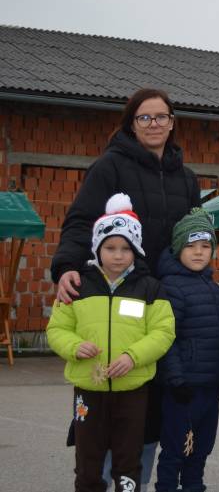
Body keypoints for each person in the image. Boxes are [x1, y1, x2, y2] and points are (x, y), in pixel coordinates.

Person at [52, 88, 200, 491]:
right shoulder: (109, 167)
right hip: (113, 295)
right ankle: (98, 479)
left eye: (161, 116)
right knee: (104, 405)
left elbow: (191, 238)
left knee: (149, 407)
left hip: (160, 297)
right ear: (130, 123)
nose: (154, 124)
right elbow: (81, 222)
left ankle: (132, 483)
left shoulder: (186, 178)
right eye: (144, 118)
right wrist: (66, 266)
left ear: (173, 121)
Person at [46, 194, 175, 492]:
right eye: (110, 247)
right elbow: (57, 329)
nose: (118, 255)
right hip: (89, 391)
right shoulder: (78, 285)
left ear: (136, 250)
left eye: (125, 248)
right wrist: (74, 345)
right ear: (97, 248)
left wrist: (133, 356)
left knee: (128, 459)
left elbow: (163, 331)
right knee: (88, 459)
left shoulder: (150, 288)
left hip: (132, 390)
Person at [154, 208, 219, 492]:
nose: (199, 252)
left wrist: (218, 379)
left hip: (208, 388)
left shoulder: (212, 286)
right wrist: (175, 380)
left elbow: (218, 337)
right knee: (176, 451)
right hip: (182, 390)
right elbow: (167, 338)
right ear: (178, 248)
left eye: (205, 246)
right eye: (190, 245)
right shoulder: (172, 285)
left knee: (199, 452)